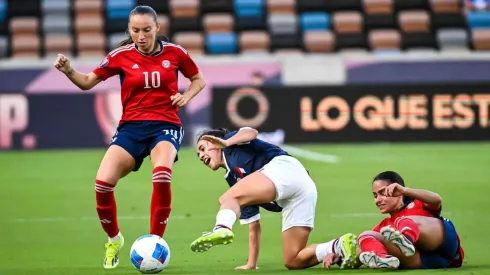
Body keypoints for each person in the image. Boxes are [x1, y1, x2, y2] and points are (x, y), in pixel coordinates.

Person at [52, 5, 206, 269]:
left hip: (165, 125)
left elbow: (198, 79)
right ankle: (114, 240)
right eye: (135, 30)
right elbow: (88, 81)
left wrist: (186, 96)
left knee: (161, 174)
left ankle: (155, 243)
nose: (141, 36)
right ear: (129, 30)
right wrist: (68, 70)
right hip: (131, 128)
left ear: (157, 28)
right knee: (102, 184)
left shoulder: (176, 53)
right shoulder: (120, 56)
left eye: (147, 30)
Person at [190, 127, 357, 270]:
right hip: (300, 193)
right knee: (293, 260)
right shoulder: (234, 180)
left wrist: (226, 142)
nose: (201, 155)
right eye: (198, 154)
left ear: (216, 141)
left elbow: (251, 131)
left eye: (203, 148)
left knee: (226, 199)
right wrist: (251, 263)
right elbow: (253, 224)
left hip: (285, 169)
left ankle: (221, 228)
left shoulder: (231, 143)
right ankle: (338, 245)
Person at [323, 171, 464, 270]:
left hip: (445, 243)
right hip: (425, 260)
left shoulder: (418, 203)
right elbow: (363, 253)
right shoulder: (384, 226)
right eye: (375, 195)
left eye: (382, 193)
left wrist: (405, 190)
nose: (378, 200)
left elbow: (437, 199)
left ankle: (406, 239)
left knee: (402, 221)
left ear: (397, 191)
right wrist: (340, 258)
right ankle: (382, 259)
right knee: (366, 236)